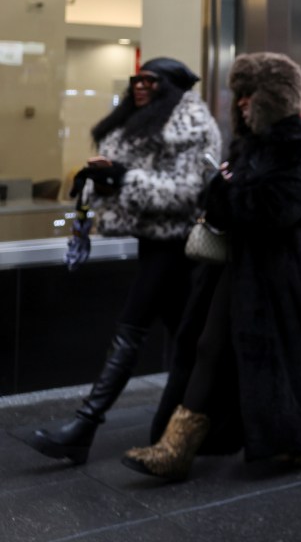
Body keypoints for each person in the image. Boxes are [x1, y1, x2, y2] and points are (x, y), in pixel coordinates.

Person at [122, 51, 301, 481]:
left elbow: (280, 207)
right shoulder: (248, 144)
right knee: (212, 347)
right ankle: (179, 445)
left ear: (273, 97)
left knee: (239, 351)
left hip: (281, 278)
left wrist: (228, 191)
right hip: (240, 270)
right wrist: (222, 189)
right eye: (238, 95)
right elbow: (233, 206)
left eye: (250, 95)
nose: (241, 103)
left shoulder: (293, 140)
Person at [29, 57, 221, 465]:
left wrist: (122, 176)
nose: (139, 86)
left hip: (177, 245)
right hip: (153, 242)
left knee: (131, 328)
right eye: (136, 79)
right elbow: (133, 178)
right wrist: (101, 179)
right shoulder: (143, 122)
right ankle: (196, 423)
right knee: (190, 340)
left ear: (169, 85)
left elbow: (185, 192)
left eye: (149, 81)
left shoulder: (191, 125)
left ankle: (84, 426)